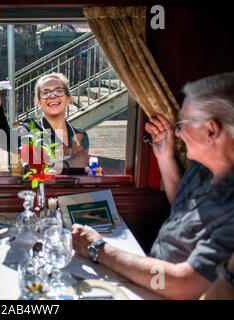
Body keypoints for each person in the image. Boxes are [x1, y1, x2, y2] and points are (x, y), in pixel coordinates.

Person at [71, 72, 234, 299]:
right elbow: (184, 208)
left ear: (211, 131)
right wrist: (165, 157)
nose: (178, 132)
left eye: (183, 123)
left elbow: (182, 284)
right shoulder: (204, 166)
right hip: (150, 272)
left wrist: (99, 249)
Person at [0, 72, 98, 175]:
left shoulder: (80, 136)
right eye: (46, 92)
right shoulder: (30, 129)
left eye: (58, 90)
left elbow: (84, 170)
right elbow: (5, 139)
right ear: (38, 102)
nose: (52, 95)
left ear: (68, 99)